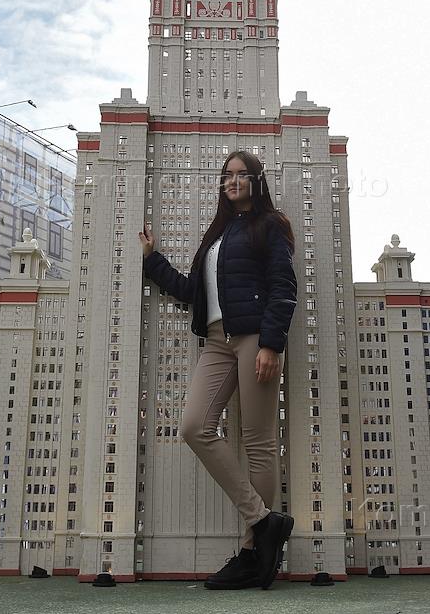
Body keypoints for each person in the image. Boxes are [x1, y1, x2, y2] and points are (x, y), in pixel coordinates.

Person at [139, 150, 297, 590]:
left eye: (242, 175)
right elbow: (194, 292)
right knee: (194, 427)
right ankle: (264, 522)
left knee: (259, 442)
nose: (233, 181)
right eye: (227, 175)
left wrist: (270, 342)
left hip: (252, 338)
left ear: (257, 182)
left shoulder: (271, 226)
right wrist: (153, 261)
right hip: (215, 341)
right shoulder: (219, 233)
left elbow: (284, 286)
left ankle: (251, 553)